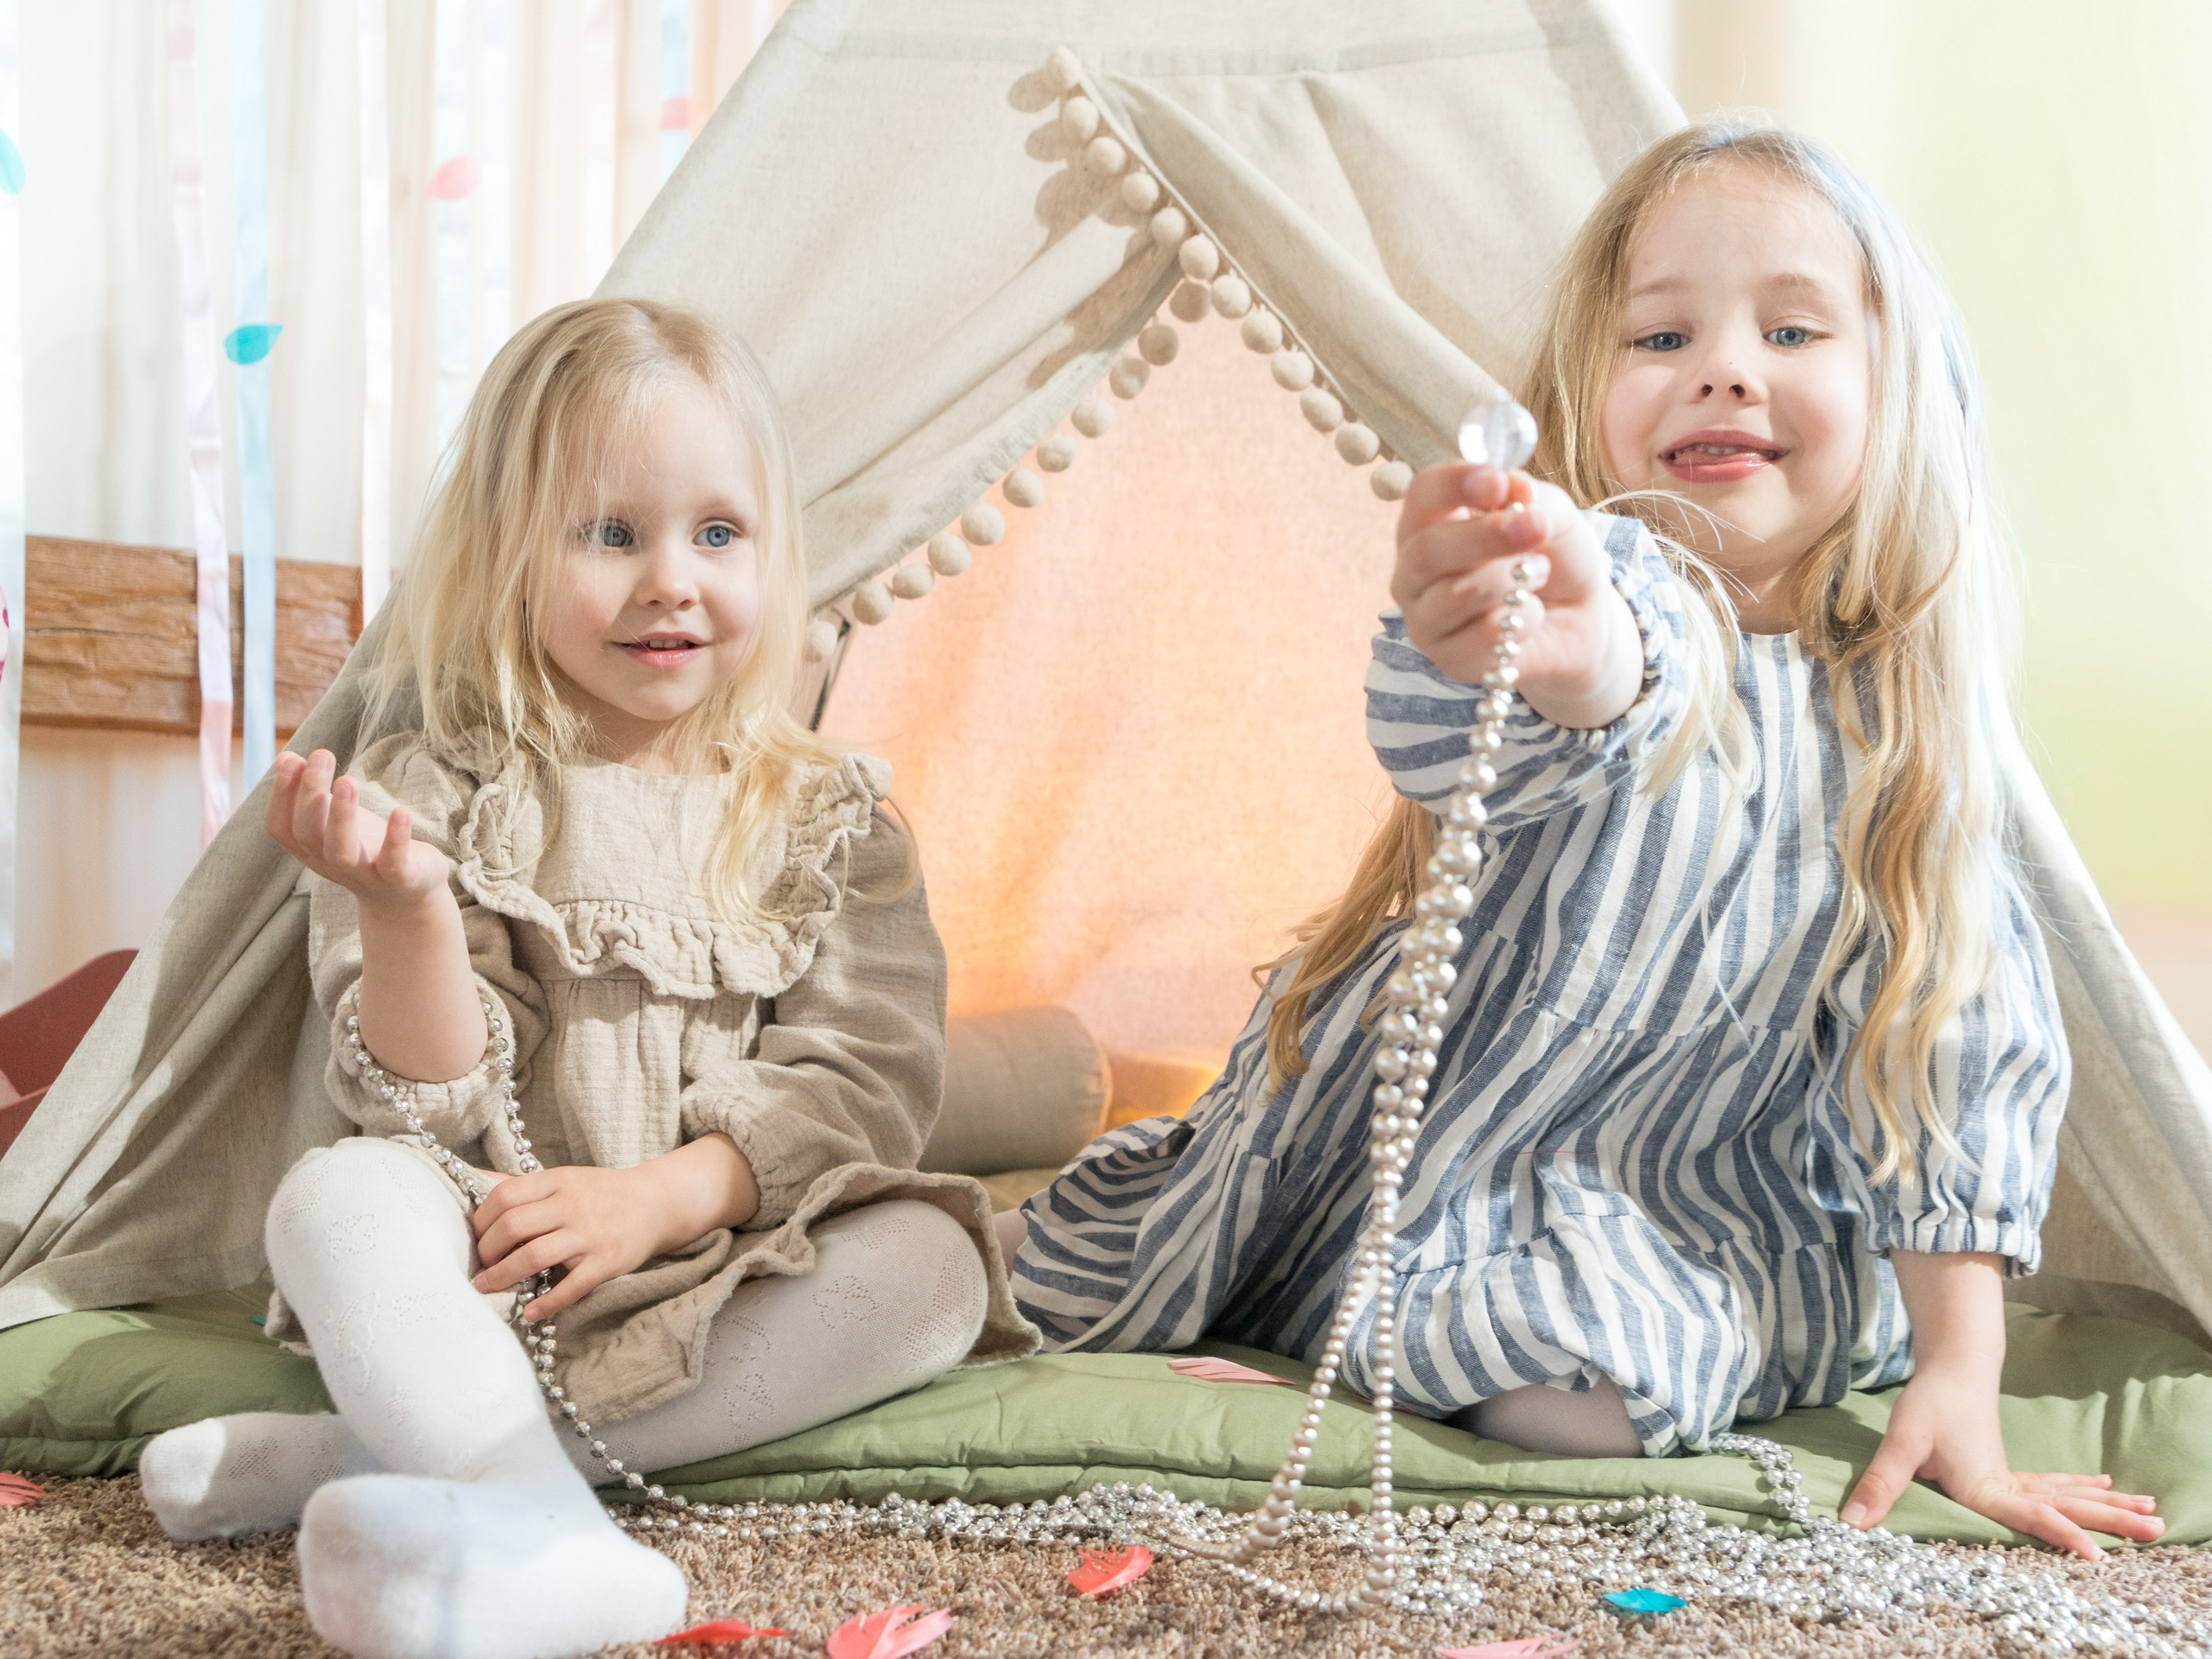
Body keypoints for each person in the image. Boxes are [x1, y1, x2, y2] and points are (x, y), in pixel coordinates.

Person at [1002, 118, 2164, 1561]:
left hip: (1702, 1193)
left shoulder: (1902, 737)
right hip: (1457, 1158)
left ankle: (1496, 1325)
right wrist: (1547, 636)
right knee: (1117, 1263)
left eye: (1789, 328)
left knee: (1594, 1387)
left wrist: (1959, 1373)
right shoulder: (1627, 590)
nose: (1724, 365)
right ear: (1593, 400)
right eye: (1662, 334)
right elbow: (1588, 691)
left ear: (1895, 391)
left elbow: (1954, 1062)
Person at [136, 298, 1026, 1659]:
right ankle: (557, 1537)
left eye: (717, 535)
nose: (672, 579)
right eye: (613, 534)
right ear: (509, 554)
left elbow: (863, 1088)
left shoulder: (830, 819)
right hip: (491, 1247)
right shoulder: (439, 787)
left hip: (727, 1258)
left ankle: (416, 1471)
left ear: (774, 554)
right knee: (335, 1198)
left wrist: (658, 1198)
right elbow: (425, 1107)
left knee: (936, 1270)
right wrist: (408, 911)